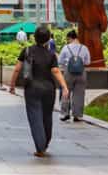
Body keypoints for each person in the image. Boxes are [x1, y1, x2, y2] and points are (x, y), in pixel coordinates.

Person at [8, 26, 69, 158]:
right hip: (49, 89)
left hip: (32, 88)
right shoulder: (51, 54)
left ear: (34, 37)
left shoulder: (27, 50)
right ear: (48, 39)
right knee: (47, 116)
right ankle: (45, 142)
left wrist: (12, 85)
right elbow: (56, 71)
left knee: (35, 116)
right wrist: (64, 86)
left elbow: (17, 69)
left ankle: (40, 147)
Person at [59, 29, 91, 122]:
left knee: (66, 92)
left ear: (69, 38)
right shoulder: (84, 48)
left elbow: (60, 61)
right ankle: (77, 115)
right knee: (79, 94)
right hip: (81, 73)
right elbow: (88, 62)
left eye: (67, 39)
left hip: (68, 73)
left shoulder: (66, 48)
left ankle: (65, 114)